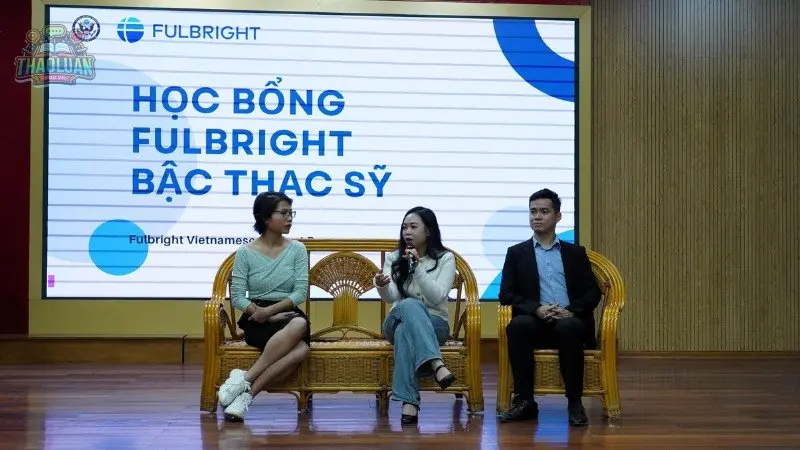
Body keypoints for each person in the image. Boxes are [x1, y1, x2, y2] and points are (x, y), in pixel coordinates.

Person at [497, 189, 601, 427]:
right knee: (518, 325)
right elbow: (506, 294)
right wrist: (536, 309)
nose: (537, 216)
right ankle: (525, 401)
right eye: (533, 211)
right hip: (536, 322)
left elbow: (592, 292)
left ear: (558, 216)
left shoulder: (575, 253)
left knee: (568, 327)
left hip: (570, 321)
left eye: (544, 211)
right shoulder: (516, 253)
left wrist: (571, 311)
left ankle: (574, 402)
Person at [216, 191, 311, 422]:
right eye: (284, 213)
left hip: (286, 313)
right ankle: (246, 390)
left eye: (291, 213)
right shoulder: (245, 252)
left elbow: (300, 292)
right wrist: (261, 314)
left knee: (299, 324)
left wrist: (271, 312)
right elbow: (237, 297)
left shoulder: (297, 249)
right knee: (302, 349)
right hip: (255, 317)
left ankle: (245, 385)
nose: (289, 218)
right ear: (266, 218)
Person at [373, 206, 458, 425]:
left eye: (413, 227)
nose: (407, 232)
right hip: (396, 319)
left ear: (428, 231)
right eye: (404, 227)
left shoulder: (445, 258)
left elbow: (438, 296)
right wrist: (381, 285)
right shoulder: (394, 258)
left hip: (435, 324)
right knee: (408, 305)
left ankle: (409, 402)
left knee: (405, 332)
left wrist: (418, 267)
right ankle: (436, 363)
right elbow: (392, 297)